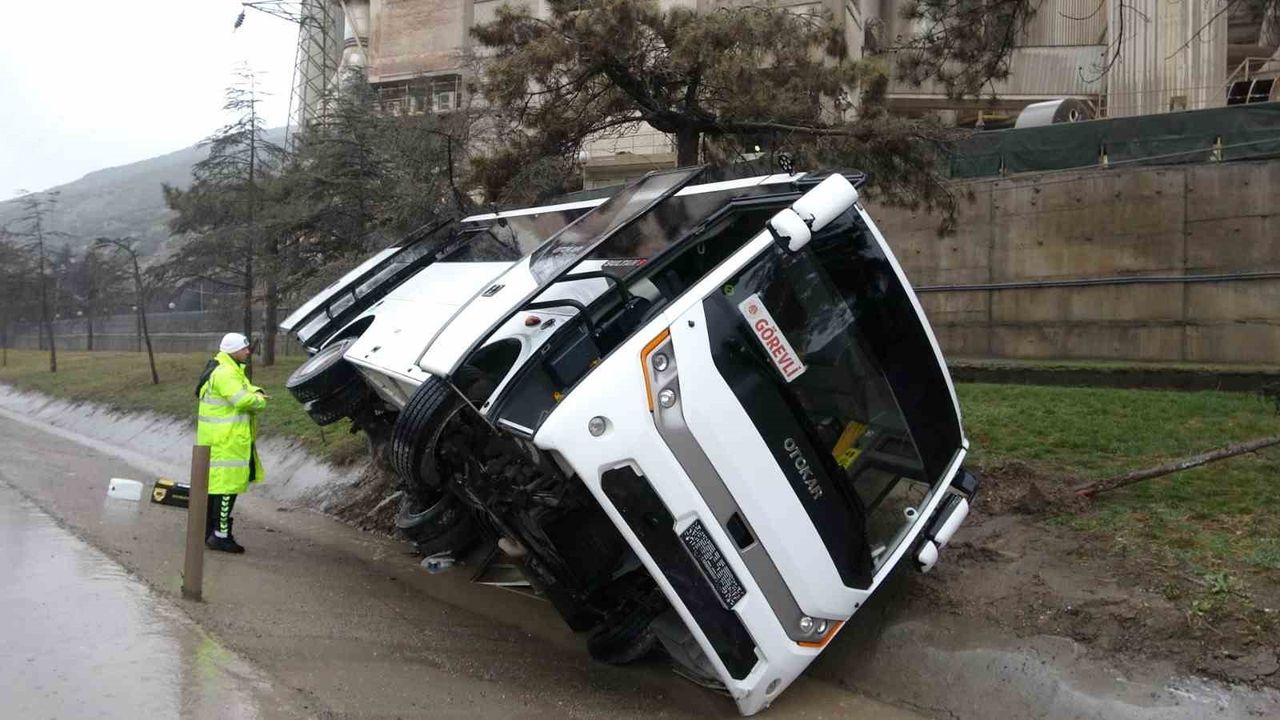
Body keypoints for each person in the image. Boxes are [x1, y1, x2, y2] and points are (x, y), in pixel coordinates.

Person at [195, 333, 268, 553]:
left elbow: (244, 388)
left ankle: (209, 532)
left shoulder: (224, 368)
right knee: (227, 489)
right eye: (244, 348)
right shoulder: (226, 373)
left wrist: (255, 391)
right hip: (227, 440)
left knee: (215, 489)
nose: (248, 351)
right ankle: (221, 536)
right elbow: (242, 399)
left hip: (219, 438)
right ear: (233, 351)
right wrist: (260, 400)